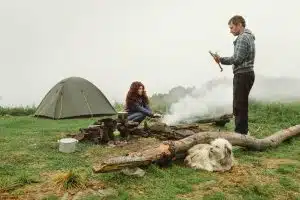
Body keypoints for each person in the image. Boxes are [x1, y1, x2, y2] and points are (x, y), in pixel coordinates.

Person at [213, 15, 255, 135]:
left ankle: (240, 135)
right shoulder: (249, 36)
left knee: (239, 105)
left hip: (243, 75)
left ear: (239, 25)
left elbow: (237, 59)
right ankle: (242, 133)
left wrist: (221, 59)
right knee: (240, 104)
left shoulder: (242, 38)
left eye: (232, 27)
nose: (230, 31)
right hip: (246, 74)